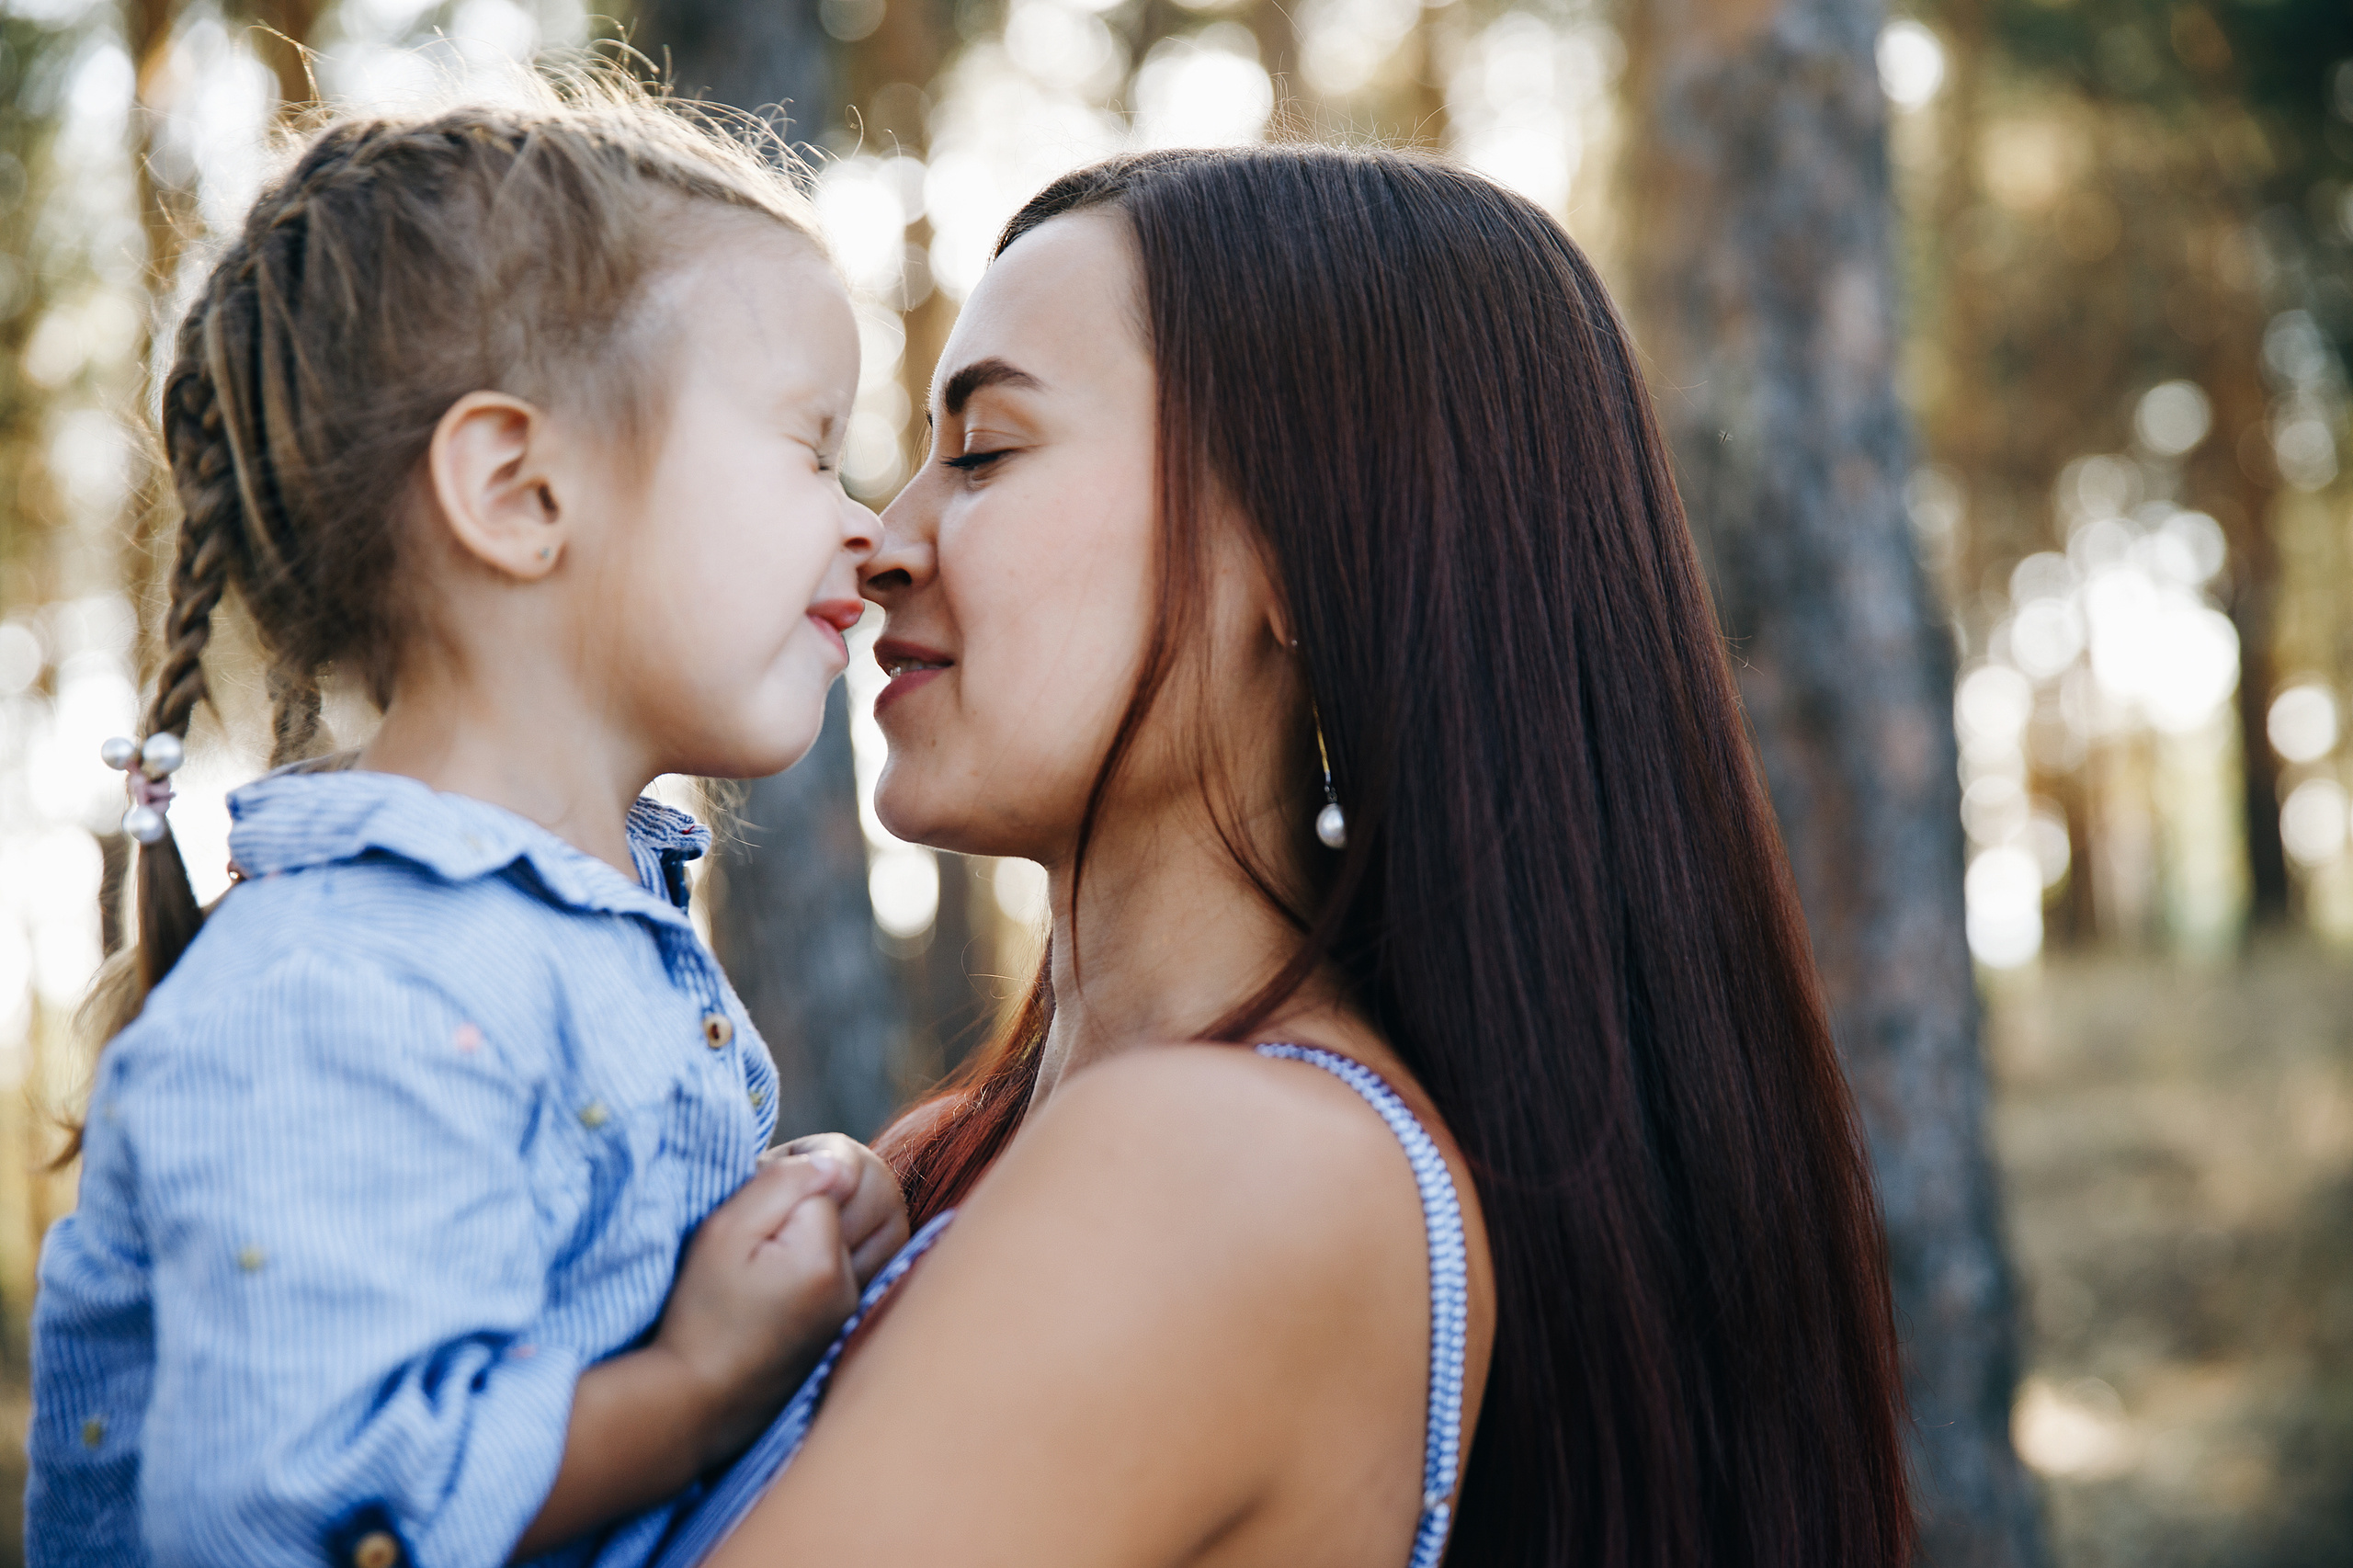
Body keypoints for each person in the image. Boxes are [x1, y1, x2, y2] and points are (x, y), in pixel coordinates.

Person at [644, 146, 1917, 1568]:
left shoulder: (1225, 1168)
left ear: (1308, 556)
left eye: (988, 449)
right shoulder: (951, 1159)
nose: (884, 540)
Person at [25, 86, 907, 1568]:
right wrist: (699, 1381)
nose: (867, 526)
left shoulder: (565, 931)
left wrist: (773, 1236)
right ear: (518, 490)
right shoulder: (347, 993)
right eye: (810, 449)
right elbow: (300, 1510)